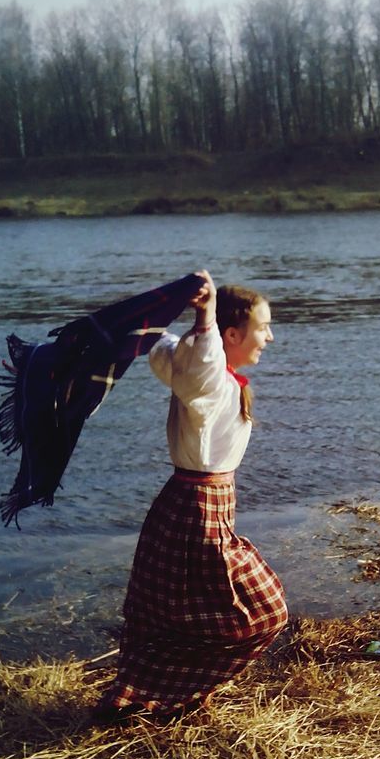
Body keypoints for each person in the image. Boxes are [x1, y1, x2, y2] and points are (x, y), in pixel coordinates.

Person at [95, 269, 288, 720]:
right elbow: (198, 361)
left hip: (191, 508)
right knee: (263, 611)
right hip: (196, 513)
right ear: (233, 334)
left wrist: (164, 318)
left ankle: (156, 696)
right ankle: (157, 694)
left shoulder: (206, 375)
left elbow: (164, 349)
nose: (271, 337)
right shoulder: (209, 382)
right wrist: (204, 315)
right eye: (263, 328)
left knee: (174, 615)